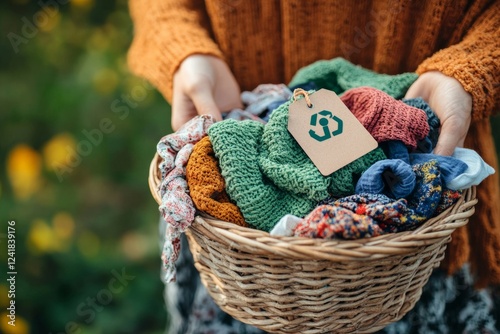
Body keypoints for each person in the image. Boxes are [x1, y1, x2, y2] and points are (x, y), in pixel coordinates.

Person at [127, 1, 500, 333]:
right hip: (229, 253)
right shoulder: (227, 162)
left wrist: (469, 72)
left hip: (416, 251)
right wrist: (186, 51)